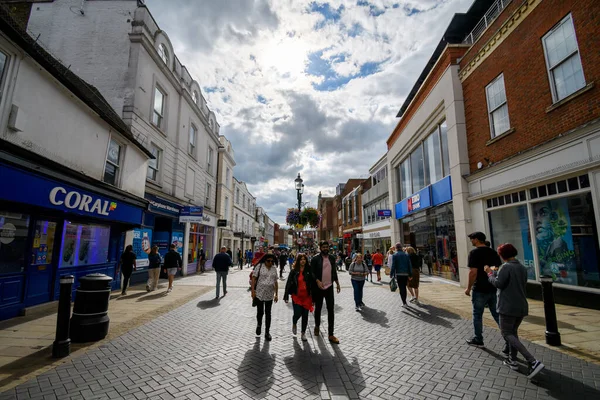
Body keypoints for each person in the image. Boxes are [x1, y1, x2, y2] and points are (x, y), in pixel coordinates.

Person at [485, 243, 545, 379]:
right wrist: (495, 272)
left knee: (506, 333)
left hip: (507, 306)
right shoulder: (521, 267)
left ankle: (533, 361)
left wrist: (489, 273)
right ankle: (513, 361)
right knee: (513, 333)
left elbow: (498, 284)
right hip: (521, 305)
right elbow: (511, 282)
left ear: (502, 255)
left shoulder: (506, 267)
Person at [464, 232, 502, 347]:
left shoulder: (474, 253)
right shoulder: (493, 252)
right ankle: (509, 337)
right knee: (497, 314)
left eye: (472, 239)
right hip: (493, 287)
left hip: (479, 288)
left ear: (476, 239)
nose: (471, 241)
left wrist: (468, 288)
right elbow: (496, 269)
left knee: (477, 314)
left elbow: (473, 272)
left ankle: (478, 339)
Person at [310, 241, 341, 344]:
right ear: (320, 248)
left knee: (330, 310)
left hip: (329, 287)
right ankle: (317, 325)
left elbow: (334, 271)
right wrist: (317, 280)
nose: (325, 249)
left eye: (327, 247)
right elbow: (312, 272)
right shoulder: (315, 259)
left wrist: (337, 283)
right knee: (318, 309)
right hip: (319, 288)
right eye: (323, 247)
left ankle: (331, 334)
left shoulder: (332, 258)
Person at [284, 253, 314, 342]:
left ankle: (303, 333)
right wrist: (286, 295)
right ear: (298, 261)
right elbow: (288, 282)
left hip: (307, 297)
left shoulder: (309, 270)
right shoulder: (294, 271)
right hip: (296, 296)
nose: (303, 261)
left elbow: (312, 284)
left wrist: (314, 297)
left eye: (304, 259)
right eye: (301, 259)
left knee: (305, 315)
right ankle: (294, 323)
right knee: (297, 313)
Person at [251, 254, 279, 341]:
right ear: (265, 260)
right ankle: (259, 325)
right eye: (268, 261)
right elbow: (254, 279)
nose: (270, 263)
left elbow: (276, 282)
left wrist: (276, 294)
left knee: (268, 313)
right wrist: (253, 291)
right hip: (259, 293)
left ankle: (267, 332)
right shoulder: (259, 266)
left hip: (270, 294)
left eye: (272, 261)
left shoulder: (274, 268)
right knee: (260, 312)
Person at [390, 243, 412, 307]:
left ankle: (404, 302)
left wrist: (391, 273)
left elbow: (393, 265)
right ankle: (405, 302)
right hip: (405, 274)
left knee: (401, 288)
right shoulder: (406, 255)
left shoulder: (395, 255)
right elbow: (409, 265)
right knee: (404, 287)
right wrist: (410, 274)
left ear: (396, 248)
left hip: (399, 274)